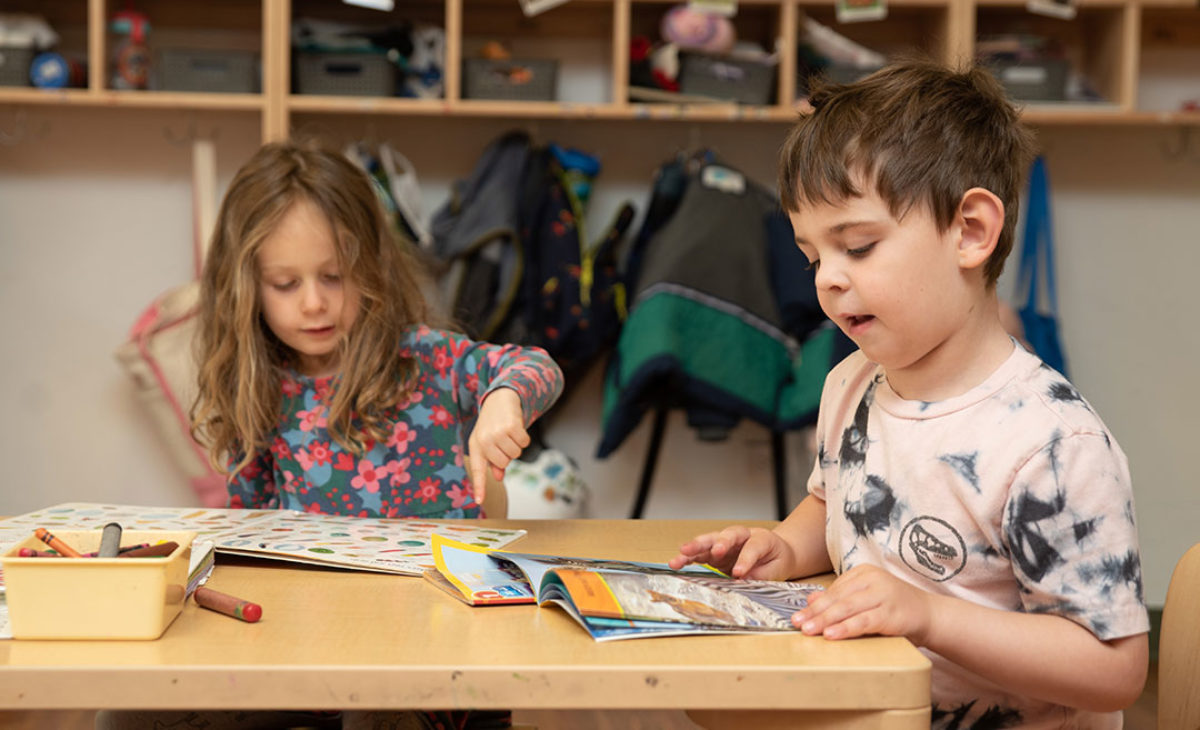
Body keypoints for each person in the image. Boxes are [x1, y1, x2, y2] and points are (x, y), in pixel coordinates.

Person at [669, 60, 1148, 729]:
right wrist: (784, 547)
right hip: (876, 706)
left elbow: (1113, 670)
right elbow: (830, 502)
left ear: (971, 231)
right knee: (707, 703)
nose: (828, 280)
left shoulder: (1052, 445)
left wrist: (929, 615)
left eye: (858, 247)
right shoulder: (851, 382)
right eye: (813, 257)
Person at [98, 139, 563, 730]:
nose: (314, 304)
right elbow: (251, 545)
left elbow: (534, 366)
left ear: (371, 267)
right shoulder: (259, 390)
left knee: (374, 714)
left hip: (435, 667)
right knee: (126, 716)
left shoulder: (428, 360)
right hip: (306, 659)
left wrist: (504, 401)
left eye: (334, 276)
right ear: (246, 288)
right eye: (285, 284)